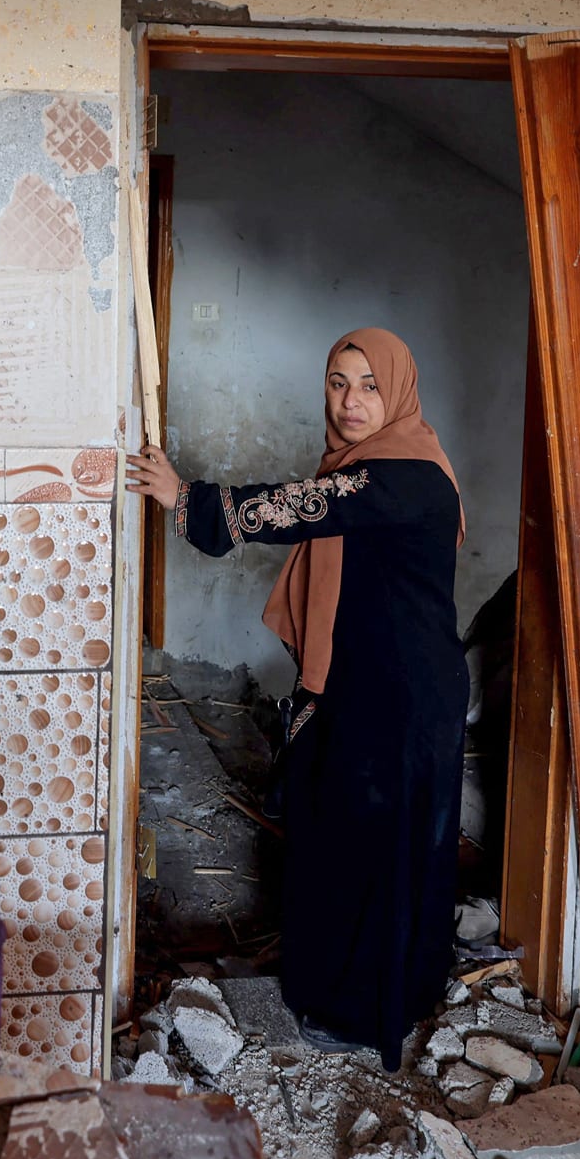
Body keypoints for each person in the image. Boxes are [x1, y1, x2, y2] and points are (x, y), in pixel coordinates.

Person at [127, 327, 465, 1067]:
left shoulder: (406, 475)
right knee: (336, 833)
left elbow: (302, 507)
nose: (351, 401)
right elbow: (322, 506)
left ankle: (363, 1010)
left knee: (371, 848)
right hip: (363, 684)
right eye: (338, 383)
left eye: (370, 385)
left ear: (398, 392)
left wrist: (188, 500)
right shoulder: (360, 467)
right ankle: (344, 985)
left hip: (403, 700)